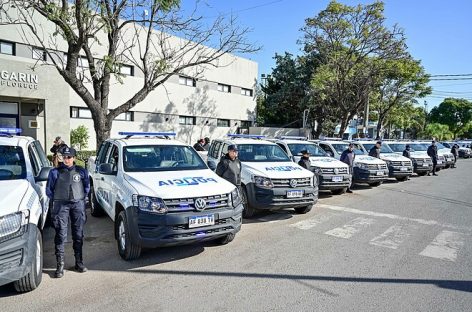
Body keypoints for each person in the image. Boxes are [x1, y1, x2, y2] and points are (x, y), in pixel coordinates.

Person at [46, 147, 90, 278]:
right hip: (61, 205)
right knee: (60, 234)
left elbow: (87, 187)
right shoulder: (55, 172)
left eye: (69, 157)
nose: (66, 159)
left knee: (78, 234)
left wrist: (80, 198)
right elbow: (49, 190)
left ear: (74, 158)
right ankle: (60, 265)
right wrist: (59, 199)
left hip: (78, 204)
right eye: (64, 157)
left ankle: (79, 262)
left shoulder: (81, 171)